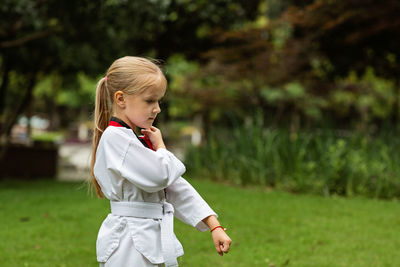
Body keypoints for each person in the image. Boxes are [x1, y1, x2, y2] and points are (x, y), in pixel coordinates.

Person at [89, 56, 232, 267]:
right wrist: (162, 149)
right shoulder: (116, 139)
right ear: (121, 99)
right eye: (149, 101)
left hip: (143, 239)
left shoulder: (134, 141)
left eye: (159, 101)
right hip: (129, 244)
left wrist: (213, 225)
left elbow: (174, 186)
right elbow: (161, 176)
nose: (157, 109)